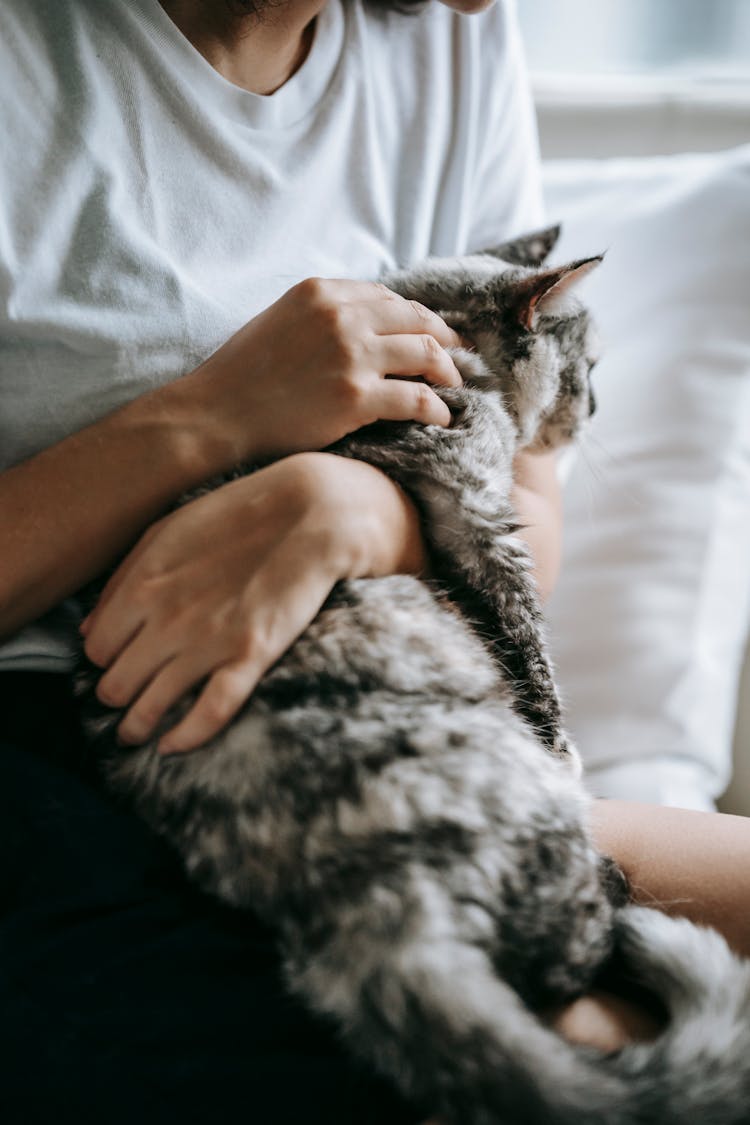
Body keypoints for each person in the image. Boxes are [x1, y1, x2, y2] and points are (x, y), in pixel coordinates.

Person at [0, 1, 748, 1122]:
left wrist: (362, 504)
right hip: (74, 763)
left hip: (408, 750)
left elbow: (529, 503)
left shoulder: (450, 31)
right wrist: (211, 420)